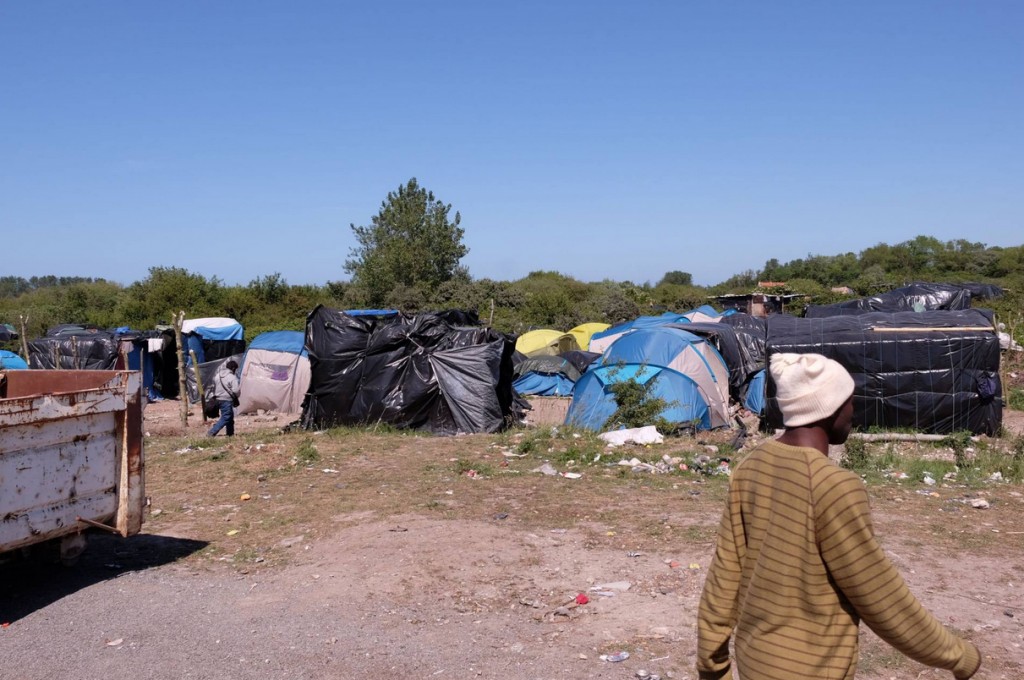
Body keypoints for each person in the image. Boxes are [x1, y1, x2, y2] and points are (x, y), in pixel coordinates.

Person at [697, 353, 981, 680]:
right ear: (828, 408)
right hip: (812, 669)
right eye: (850, 402)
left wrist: (712, 664)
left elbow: (724, 576)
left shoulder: (751, 467)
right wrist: (959, 656)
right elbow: (881, 598)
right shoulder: (833, 486)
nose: (854, 412)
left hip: (755, 663)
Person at [207, 359, 240, 437]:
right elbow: (236, 390)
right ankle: (212, 432)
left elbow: (213, 385)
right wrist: (236, 396)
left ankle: (230, 434)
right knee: (226, 417)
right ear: (233, 368)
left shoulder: (217, 375)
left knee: (230, 417)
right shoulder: (232, 377)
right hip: (227, 400)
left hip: (218, 399)